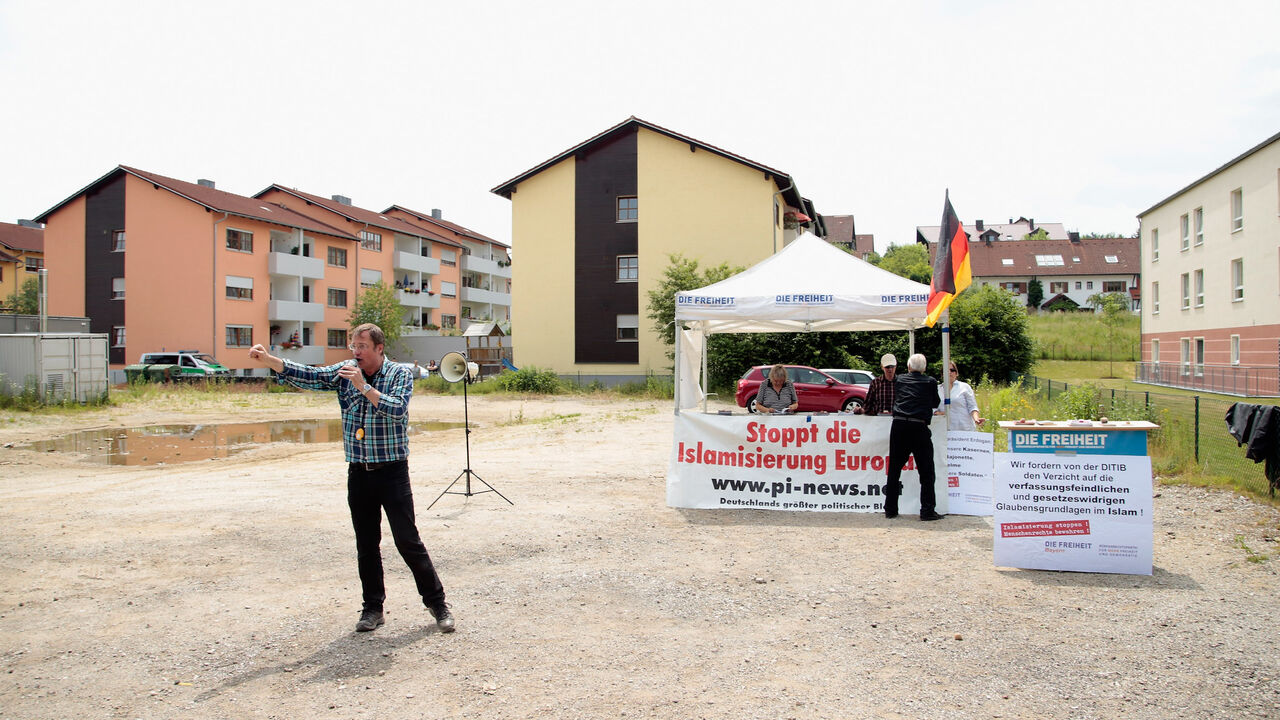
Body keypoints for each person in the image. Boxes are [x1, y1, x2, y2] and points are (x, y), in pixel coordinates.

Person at [247, 323, 455, 634]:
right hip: (359, 472)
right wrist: (271, 361)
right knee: (367, 544)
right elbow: (311, 376)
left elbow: (397, 410)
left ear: (379, 348)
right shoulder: (344, 370)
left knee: (407, 540)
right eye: (353, 346)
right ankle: (373, 608)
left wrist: (364, 387)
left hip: (392, 471)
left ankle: (437, 604)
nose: (356, 352)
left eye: (362, 346)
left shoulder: (398, 373)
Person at [884, 353, 944, 521]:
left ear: (909, 367)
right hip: (919, 426)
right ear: (924, 368)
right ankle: (927, 510)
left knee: (894, 469)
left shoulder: (901, 380)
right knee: (926, 471)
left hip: (899, 424)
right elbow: (934, 402)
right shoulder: (931, 382)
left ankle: (890, 509)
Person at [940, 361, 983, 431]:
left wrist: (976, 419)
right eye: (946, 370)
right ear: (942, 374)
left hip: (964, 430)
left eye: (952, 370)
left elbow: (972, 406)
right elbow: (932, 408)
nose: (949, 372)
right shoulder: (937, 389)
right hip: (944, 431)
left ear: (956, 373)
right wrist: (937, 412)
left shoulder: (965, 387)